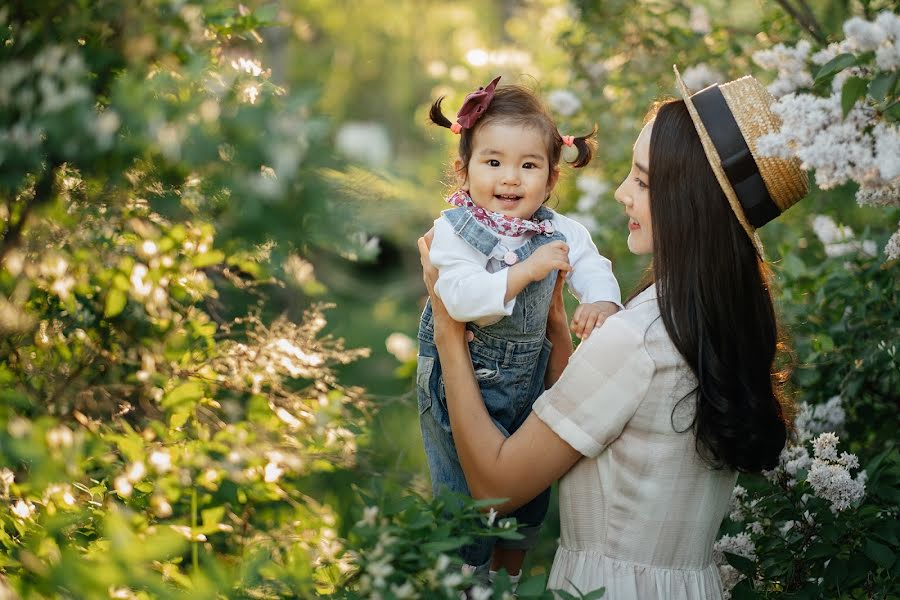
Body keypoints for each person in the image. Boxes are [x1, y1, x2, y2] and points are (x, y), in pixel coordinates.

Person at [417, 68, 809, 599]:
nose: (623, 193)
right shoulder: (717, 318)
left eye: (643, 181)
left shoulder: (638, 335)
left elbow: (493, 491)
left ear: (691, 199)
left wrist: (446, 330)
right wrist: (557, 327)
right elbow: (591, 418)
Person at [417, 75, 622, 584]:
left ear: (551, 179)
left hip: (527, 374)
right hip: (462, 372)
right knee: (465, 495)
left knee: (524, 496)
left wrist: (601, 300)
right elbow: (458, 298)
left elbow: (592, 263)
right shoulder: (455, 231)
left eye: (528, 165)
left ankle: (506, 582)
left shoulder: (560, 230)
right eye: (494, 162)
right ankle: (465, 582)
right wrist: (526, 273)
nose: (510, 178)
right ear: (464, 171)